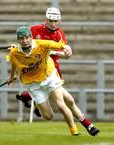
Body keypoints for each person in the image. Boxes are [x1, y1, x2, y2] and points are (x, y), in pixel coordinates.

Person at [15, 7, 100, 136]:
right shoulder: (34, 30)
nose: (53, 24)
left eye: (56, 21)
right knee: (66, 101)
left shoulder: (59, 34)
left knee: (68, 100)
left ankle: (29, 97)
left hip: (52, 68)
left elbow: (65, 55)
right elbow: (26, 45)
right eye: (51, 21)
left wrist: (59, 51)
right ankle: (88, 125)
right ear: (46, 19)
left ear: (59, 20)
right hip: (38, 68)